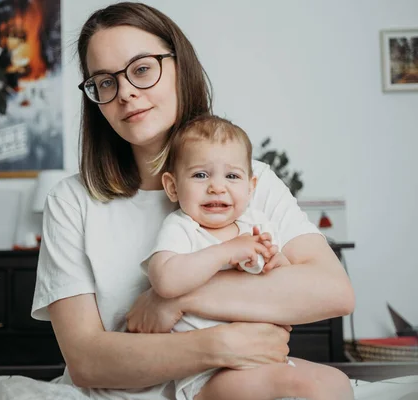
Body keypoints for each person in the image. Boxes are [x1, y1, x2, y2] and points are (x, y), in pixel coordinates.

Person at [31, 2, 355, 399]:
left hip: (236, 383)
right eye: (105, 81)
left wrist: (177, 298)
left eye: (143, 69)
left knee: (331, 386)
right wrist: (220, 344)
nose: (127, 92)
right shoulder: (71, 201)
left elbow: (333, 291)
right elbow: (86, 361)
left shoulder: (249, 180)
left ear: (179, 67)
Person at [142, 114, 353, 399]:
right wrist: (227, 251)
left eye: (232, 176)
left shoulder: (256, 224)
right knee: (303, 386)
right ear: (173, 186)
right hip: (208, 373)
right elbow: (165, 280)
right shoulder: (182, 227)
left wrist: (278, 263)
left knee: (333, 382)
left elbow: (287, 286)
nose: (217, 186)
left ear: (251, 187)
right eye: (200, 175)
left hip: (266, 357)